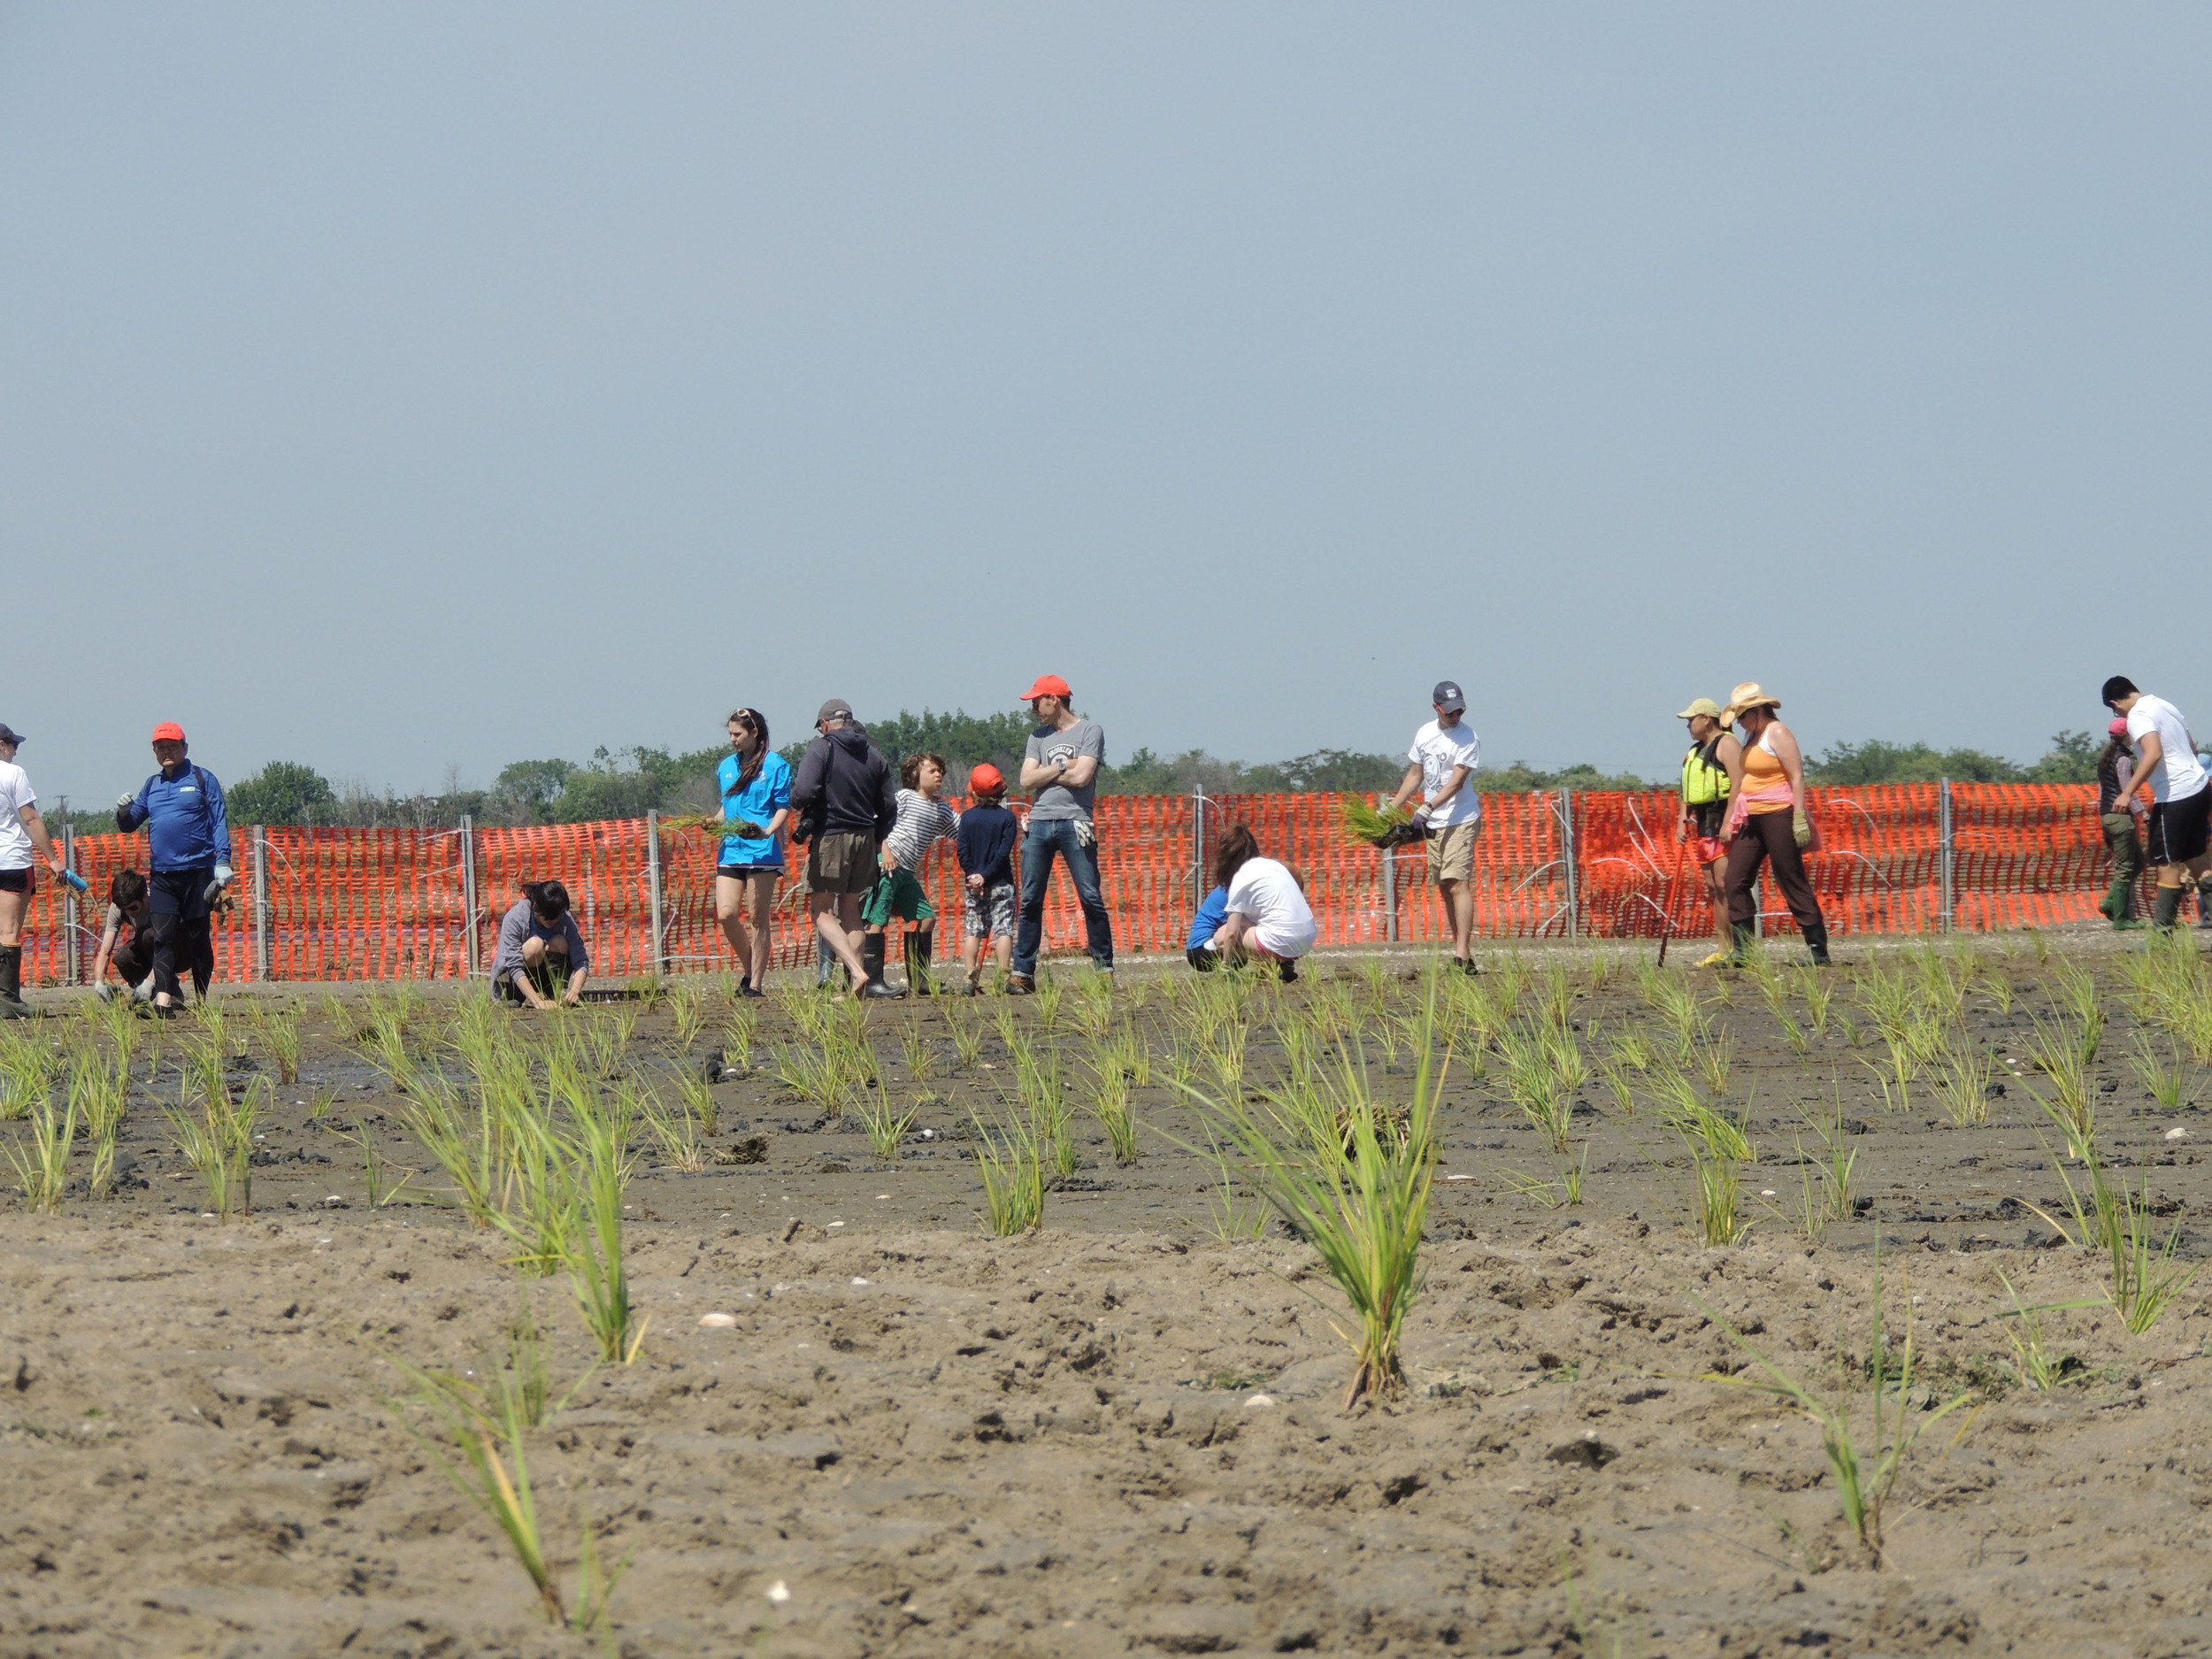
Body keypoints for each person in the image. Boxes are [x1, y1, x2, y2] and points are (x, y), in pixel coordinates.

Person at [114, 722, 234, 1015]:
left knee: (197, 939)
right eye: (160, 747)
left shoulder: (203, 779)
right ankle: (164, 1002)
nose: (166, 751)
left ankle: (203, 1001)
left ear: (185, 747)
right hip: (164, 877)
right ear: (154, 751)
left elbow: (218, 820)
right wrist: (122, 810)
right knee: (162, 939)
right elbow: (129, 825)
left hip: (198, 874)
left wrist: (223, 861)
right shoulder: (152, 785)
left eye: (172, 745)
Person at [788, 699, 900, 999]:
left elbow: (804, 791)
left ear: (825, 724)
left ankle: (856, 970)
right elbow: (889, 805)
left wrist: (796, 803)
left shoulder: (821, 748)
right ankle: (856, 988)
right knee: (851, 910)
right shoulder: (873, 755)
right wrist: (879, 836)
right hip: (865, 837)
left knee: (821, 911)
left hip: (832, 837)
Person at [1010, 674, 1112, 992]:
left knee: (1090, 896)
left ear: (1054, 699)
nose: (1033, 709)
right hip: (1039, 822)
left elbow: (1084, 777)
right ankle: (1023, 974)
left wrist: (1048, 773)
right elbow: (1026, 781)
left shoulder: (1090, 730)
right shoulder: (1037, 736)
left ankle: (1104, 969)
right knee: (1029, 900)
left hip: (1076, 821)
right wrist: (1063, 766)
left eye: (1036, 701)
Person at [1717, 683, 1830, 966]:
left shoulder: (1777, 733)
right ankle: (1744, 950)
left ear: (1756, 711)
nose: (1740, 722)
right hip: (1750, 816)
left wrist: (1800, 815)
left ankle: (1817, 950)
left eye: (1742, 716)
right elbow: (1742, 780)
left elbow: (1797, 776)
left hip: (1779, 812)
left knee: (1790, 878)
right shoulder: (1750, 736)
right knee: (1735, 879)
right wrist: (1732, 816)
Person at [1385, 680, 1483, 974]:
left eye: (1460, 711)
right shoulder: (1425, 733)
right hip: (1433, 824)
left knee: (1458, 883)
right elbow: (1415, 774)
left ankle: (1462, 955)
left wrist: (1428, 807)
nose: (1455, 717)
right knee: (1444, 886)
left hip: (1460, 817)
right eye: (1450, 712)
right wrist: (1393, 806)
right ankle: (1461, 951)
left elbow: (1457, 782)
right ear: (1436, 708)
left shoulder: (1468, 738)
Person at [2101, 677, 2210, 932]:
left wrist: (2127, 793)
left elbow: (2153, 753)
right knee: (2199, 862)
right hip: (2199, 787)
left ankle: (2162, 933)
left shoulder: (2138, 715)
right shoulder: (2164, 705)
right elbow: (2192, 748)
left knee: (2166, 863)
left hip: (2174, 795)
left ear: (2114, 703)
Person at [862, 751, 958, 996]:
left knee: (927, 918)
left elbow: (963, 831)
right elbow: (879, 822)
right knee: (876, 920)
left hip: (906, 872)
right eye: (932, 771)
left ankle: (920, 981)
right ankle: (872, 981)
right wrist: (885, 850)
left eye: (940, 771)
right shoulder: (904, 797)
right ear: (915, 775)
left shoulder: (942, 810)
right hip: (888, 865)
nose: (938, 775)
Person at [714, 708, 790, 997]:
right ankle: (750, 969)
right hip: (731, 851)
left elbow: (783, 806)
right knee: (726, 914)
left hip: (762, 853)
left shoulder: (776, 765)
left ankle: (755, 984)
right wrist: (712, 822)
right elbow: (727, 807)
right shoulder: (726, 767)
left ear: (754, 733)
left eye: (738, 734)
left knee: (758, 918)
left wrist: (768, 831)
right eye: (730, 733)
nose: (733, 739)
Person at [0, 723, 71, 1019]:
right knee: (9, 930)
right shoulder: (13, 774)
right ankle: (7, 1000)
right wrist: (53, 859)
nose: (16, 751)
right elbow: (30, 819)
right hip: (13, 861)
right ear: (2, 744)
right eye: (14, 745)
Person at [1675, 697, 1741, 968]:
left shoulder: (1727, 744)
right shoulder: (1694, 752)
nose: (1688, 725)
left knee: (1727, 884)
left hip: (1723, 821)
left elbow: (1739, 784)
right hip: (1703, 824)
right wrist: (1682, 817)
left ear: (1706, 718)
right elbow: (1686, 789)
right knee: (1715, 887)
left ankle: (1739, 948)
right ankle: (1723, 947)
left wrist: (1729, 823)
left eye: (1691, 719)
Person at [1206, 824, 1317, 982]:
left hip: (1281, 941)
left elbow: (1231, 933)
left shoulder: (1241, 877)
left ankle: (1258, 968)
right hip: (1307, 938)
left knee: (1221, 936)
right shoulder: (1275, 866)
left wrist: (1225, 966)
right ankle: (1282, 965)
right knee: (1258, 922)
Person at [956, 763, 1019, 994]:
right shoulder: (1008, 818)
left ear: (973, 792)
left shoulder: (967, 818)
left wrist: (974, 874)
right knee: (1003, 930)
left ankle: (969, 979)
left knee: (973, 930)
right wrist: (987, 875)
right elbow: (1004, 853)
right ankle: (1003, 978)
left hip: (973, 885)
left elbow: (962, 850)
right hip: (1001, 882)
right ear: (1001, 791)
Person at [489, 879, 589, 1008]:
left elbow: (581, 959)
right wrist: (538, 1002)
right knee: (535, 945)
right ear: (536, 908)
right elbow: (514, 965)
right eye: (548, 918)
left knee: (560, 942)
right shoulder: (515, 918)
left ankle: (551, 993)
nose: (555, 921)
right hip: (510, 981)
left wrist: (575, 991)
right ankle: (520, 995)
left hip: (541, 975)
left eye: (558, 917)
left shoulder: (565, 919)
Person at [2094, 717, 2147, 931]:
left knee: (2139, 861)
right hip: (2121, 817)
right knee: (2125, 868)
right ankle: (2121, 918)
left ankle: (2109, 902)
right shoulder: (2123, 760)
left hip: (2107, 815)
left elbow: (2101, 792)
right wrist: (2144, 814)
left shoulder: (2105, 759)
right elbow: (2128, 791)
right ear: (2128, 735)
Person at [91, 870, 157, 1003]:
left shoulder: (158, 904)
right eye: (124, 909)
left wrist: (150, 982)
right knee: (122, 958)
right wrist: (99, 983)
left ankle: (169, 992)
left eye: (133, 908)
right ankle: (141, 998)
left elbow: (166, 948)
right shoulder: (118, 909)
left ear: (145, 897)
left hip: (177, 949)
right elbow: (104, 951)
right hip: (151, 952)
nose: (128, 913)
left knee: (147, 935)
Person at [1186, 884, 1230, 971]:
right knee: (1241, 929)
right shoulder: (1234, 890)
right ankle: (1226, 969)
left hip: (1195, 949)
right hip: (1200, 949)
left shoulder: (1225, 888)